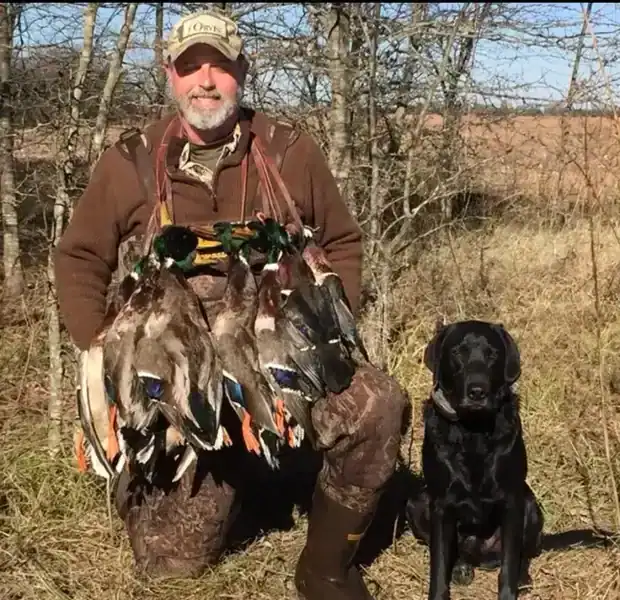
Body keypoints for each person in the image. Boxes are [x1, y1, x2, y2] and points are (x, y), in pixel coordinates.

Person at [54, 9, 408, 600]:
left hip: (275, 359)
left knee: (379, 405)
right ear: (170, 74)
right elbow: (79, 257)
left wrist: (328, 327)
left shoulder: (288, 152)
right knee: (171, 565)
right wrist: (102, 354)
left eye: (219, 66)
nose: (206, 80)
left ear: (242, 71)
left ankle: (325, 567)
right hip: (179, 380)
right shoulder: (132, 162)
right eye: (190, 67)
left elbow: (342, 240)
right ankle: (193, 475)